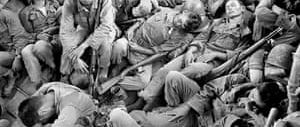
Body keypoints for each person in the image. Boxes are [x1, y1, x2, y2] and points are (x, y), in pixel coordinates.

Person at [138, 0, 254, 106]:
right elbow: (202, 37)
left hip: (212, 63)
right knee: (165, 70)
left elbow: (238, 55)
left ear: (242, 9)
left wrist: (215, 54)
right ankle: (145, 97)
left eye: (233, 6)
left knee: (183, 74)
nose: (229, 9)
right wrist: (190, 51)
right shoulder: (217, 22)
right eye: (228, 7)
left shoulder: (245, 32)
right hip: (198, 52)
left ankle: (162, 103)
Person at [108, 72, 285, 127]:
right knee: (173, 78)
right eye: (253, 94)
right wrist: (188, 106)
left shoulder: (257, 120)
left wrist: (247, 111)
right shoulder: (239, 81)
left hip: (202, 122)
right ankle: (172, 113)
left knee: (147, 119)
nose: (250, 98)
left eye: (255, 101)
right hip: (200, 105)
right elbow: (210, 87)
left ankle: (169, 119)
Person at [111, 7, 200, 92]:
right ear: (184, 12)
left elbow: (157, 52)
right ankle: (112, 66)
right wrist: (132, 29)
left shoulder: (179, 37)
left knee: (143, 82)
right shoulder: (164, 11)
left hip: (142, 54)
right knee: (119, 45)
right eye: (180, 21)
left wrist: (138, 49)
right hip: (131, 39)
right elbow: (143, 19)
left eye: (182, 26)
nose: (178, 25)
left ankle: (114, 83)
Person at [59, 0, 119, 88]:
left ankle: (103, 69)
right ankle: (64, 74)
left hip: (104, 28)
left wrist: (83, 47)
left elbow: (106, 25)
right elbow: (65, 32)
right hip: (84, 28)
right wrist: (74, 58)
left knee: (105, 45)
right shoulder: (70, 2)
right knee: (68, 44)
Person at [19, 0, 61, 87]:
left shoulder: (54, 3)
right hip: (40, 39)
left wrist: (54, 30)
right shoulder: (25, 13)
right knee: (26, 51)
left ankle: (55, 69)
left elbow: (64, 21)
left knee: (40, 46)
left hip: (58, 36)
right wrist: (36, 36)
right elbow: (26, 34)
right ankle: (38, 82)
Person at [0, 0, 33, 97]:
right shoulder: (23, 3)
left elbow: (7, 40)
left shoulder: (5, 13)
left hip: (17, 51)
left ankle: (11, 75)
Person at [18, 82, 97, 127]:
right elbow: (37, 95)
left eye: (42, 120)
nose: (44, 121)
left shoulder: (68, 109)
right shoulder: (50, 87)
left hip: (92, 119)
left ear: (43, 111)